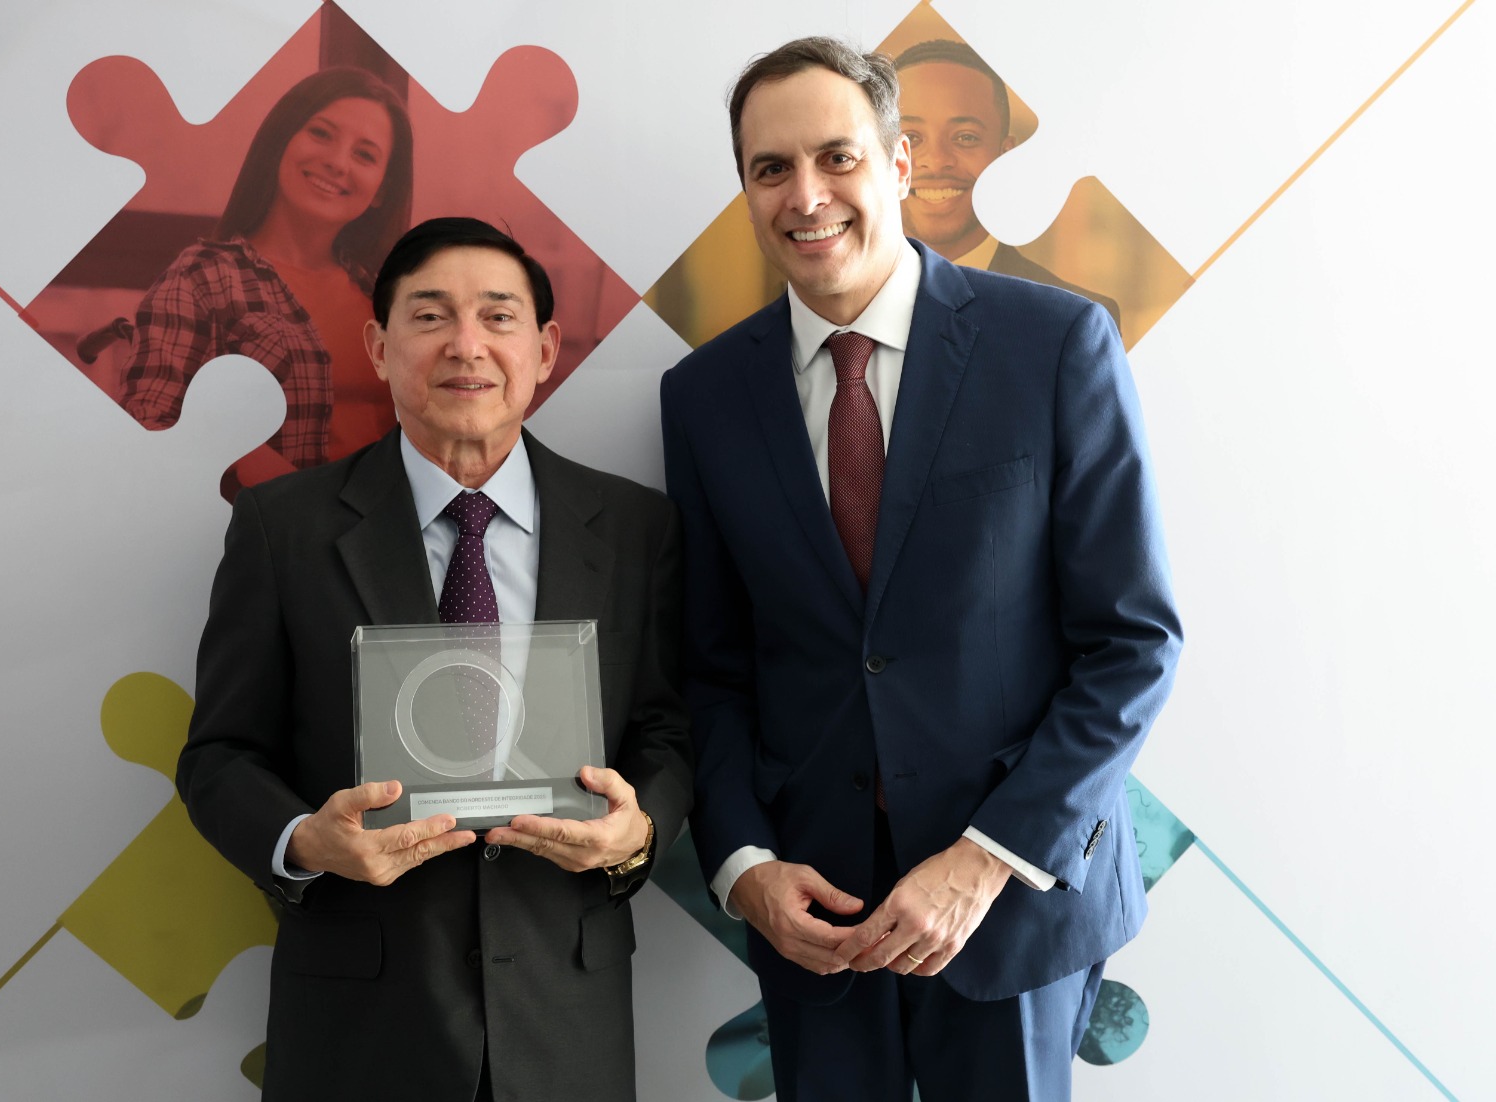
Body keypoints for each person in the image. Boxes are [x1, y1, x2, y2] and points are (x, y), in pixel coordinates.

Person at [660, 37, 1180, 1101]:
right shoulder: (702, 397)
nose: (806, 196)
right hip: (816, 921)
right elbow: (713, 668)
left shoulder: (1055, 344)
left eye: (837, 157)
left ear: (898, 164)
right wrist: (744, 866)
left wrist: (987, 857)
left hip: (1015, 907)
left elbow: (1133, 644)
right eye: (771, 168)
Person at [177, 217, 693, 1101]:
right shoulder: (281, 529)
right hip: (360, 1022)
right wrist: (304, 841)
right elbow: (219, 756)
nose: (466, 345)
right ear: (379, 348)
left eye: (497, 316)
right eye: (430, 316)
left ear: (544, 349)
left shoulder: (634, 527)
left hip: (566, 1014)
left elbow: (667, 730)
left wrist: (638, 832)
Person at [118, 67, 414, 497]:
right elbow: (148, 419)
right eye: (321, 134)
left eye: (364, 155)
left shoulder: (386, 296)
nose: (337, 162)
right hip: (269, 529)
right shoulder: (204, 276)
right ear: (281, 142)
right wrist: (255, 464)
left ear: (381, 191)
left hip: (386, 528)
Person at [894, 38, 1121, 328]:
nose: (937, 161)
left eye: (966, 137)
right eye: (911, 137)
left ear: (1005, 155)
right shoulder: (842, 301)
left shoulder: (1079, 320)